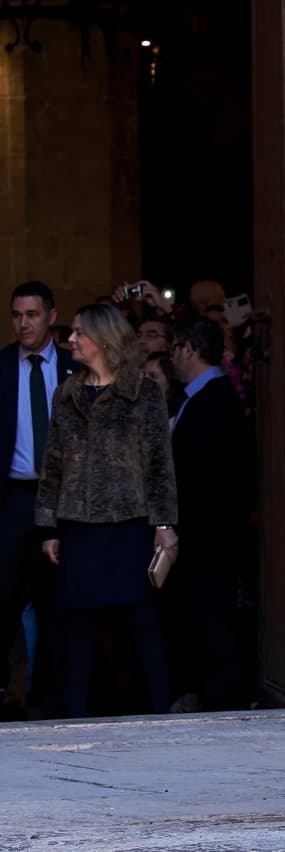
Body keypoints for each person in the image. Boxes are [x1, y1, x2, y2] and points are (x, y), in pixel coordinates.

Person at [36, 303, 178, 718]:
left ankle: (158, 711)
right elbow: (53, 464)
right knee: (75, 627)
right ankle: (74, 715)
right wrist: (47, 526)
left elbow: (159, 464)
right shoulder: (67, 394)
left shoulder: (143, 393)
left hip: (130, 525)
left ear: (103, 338)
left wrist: (165, 524)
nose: (71, 339)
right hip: (77, 525)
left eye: (79, 332)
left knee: (142, 623)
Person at [166, 317, 250, 712]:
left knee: (213, 617)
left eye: (173, 349)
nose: (170, 358)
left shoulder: (214, 400)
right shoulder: (201, 397)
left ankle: (222, 700)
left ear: (188, 349)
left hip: (210, 533)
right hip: (206, 533)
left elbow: (201, 472)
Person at [1, 282, 75, 718]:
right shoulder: (1, 366)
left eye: (31, 314)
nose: (23, 323)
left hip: (64, 496)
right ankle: (11, 693)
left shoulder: (73, 366)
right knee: (6, 596)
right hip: (13, 496)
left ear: (51, 315)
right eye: (16, 314)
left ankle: (52, 698)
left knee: (58, 599)